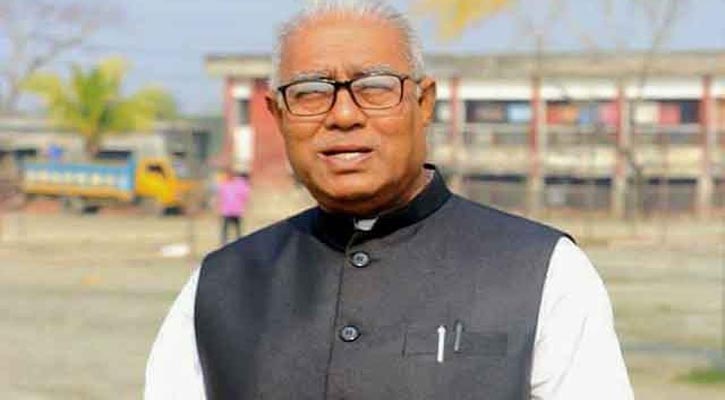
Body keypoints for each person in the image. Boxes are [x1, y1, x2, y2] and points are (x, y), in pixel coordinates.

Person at [145, 1, 634, 399]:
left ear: (424, 103)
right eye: (311, 92)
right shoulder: (219, 286)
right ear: (277, 114)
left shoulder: (542, 272)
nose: (343, 115)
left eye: (374, 88)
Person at [216, 169, 251, 245]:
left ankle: (236, 243)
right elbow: (221, 197)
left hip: (233, 210)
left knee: (234, 229)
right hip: (230, 210)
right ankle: (226, 243)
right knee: (229, 229)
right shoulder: (226, 184)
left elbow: (245, 195)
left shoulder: (236, 184)